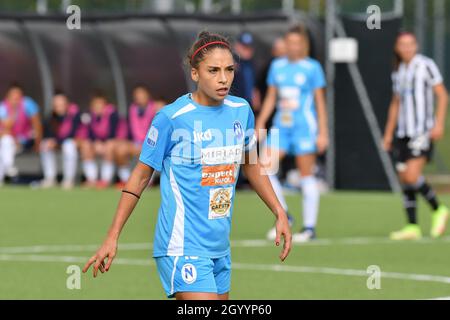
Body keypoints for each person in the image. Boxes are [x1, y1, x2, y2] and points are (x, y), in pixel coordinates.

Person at [82, 31, 292, 300]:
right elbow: (140, 177)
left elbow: (251, 163)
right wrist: (113, 236)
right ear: (195, 73)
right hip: (181, 246)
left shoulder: (241, 110)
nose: (223, 78)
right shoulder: (172, 118)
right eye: (213, 70)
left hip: (219, 247)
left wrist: (279, 211)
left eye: (229, 70)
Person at [256, 25, 328, 243]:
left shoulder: (312, 68)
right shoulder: (277, 66)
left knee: (307, 176)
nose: (293, 47)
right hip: (281, 126)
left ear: (303, 45)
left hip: (304, 127)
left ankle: (309, 228)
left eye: (297, 43)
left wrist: (323, 132)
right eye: (290, 42)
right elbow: (270, 98)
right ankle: (284, 214)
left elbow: (319, 101)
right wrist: (260, 122)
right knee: (263, 168)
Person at [383, 31, 449, 240]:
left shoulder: (426, 65)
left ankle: (439, 209)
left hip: (421, 130)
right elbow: (396, 103)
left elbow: (442, 95)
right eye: (402, 44)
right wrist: (388, 133)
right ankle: (412, 226)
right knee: (404, 178)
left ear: (416, 46)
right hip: (403, 132)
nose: (406, 48)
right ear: (396, 47)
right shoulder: (399, 70)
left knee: (411, 175)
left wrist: (438, 123)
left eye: (410, 44)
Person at [0, 83, 43, 185]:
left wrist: (38, 144)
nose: (15, 99)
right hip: (8, 140)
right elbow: (7, 127)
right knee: (5, 141)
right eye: (13, 96)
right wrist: (14, 111)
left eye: (18, 96)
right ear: (8, 97)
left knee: (5, 142)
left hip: (24, 141)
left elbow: (37, 125)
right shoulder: (2, 107)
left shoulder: (28, 104)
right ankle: (7, 169)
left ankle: (8, 166)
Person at [114, 85, 156, 188]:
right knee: (120, 150)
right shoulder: (131, 109)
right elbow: (124, 130)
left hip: (151, 144)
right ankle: (126, 180)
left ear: (148, 95)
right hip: (135, 144)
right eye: (137, 94)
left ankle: (147, 181)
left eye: (141, 94)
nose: (139, 96)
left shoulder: (156, 109)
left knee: (148, 152)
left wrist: (145, 144)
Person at [39, 92, 81, 189]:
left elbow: (72, 133)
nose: (58, 106)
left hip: (74, 143)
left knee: (69, 146)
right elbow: (47, 133)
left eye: (61, 104)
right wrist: (51, 141)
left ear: (67, 103)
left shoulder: (75, 115)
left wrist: (57, 142)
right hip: (60, 143)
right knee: (45, 144)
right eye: (56, 104)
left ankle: (68, 179)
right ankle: (50, 178)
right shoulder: (52, 117)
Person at [79, 92, 119, 189]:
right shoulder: (88, 115)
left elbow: (113, 133)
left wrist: (103, 144)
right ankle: (91, 179)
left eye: (100, 104)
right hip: (98, 144)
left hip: (114, 143)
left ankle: (105, 180)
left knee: (110, 145)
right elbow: (88, 133)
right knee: (85, 145)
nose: (98, 107)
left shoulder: (113, 114)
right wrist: (96, 142)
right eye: (95, 104)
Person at [231, 32, 261, 113]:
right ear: (237, 46)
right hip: (234, 105)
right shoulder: (231, 62)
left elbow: (254, 85)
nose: (247, 50)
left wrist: (255, 94)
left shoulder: (253, 64)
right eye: (244, 47)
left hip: (249, 106)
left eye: (249, 47)